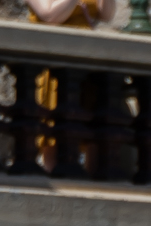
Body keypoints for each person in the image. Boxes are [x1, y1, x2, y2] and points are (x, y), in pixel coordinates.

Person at [25, 0, 117, 169]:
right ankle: (55, 178)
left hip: (86, 64)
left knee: (92, 133)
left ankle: (91, 188)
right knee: (53, 135)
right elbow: (50, 15)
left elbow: (106, 15)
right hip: (54, 63)